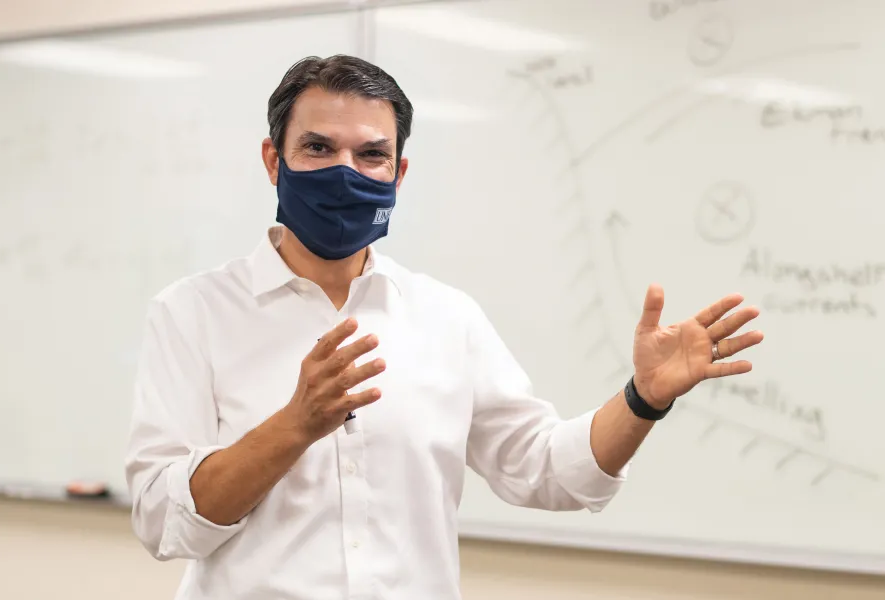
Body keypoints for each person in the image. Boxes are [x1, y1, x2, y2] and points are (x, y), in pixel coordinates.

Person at [123, 54, 764, 600]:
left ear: (398, 174)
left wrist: (642, 399)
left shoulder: (444, 317)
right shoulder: (192, 312)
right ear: (274, 159)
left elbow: (546, 470)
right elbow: (163, 523)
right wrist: (295, 424)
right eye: (318, 147)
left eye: (371, 154)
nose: (345, 171)